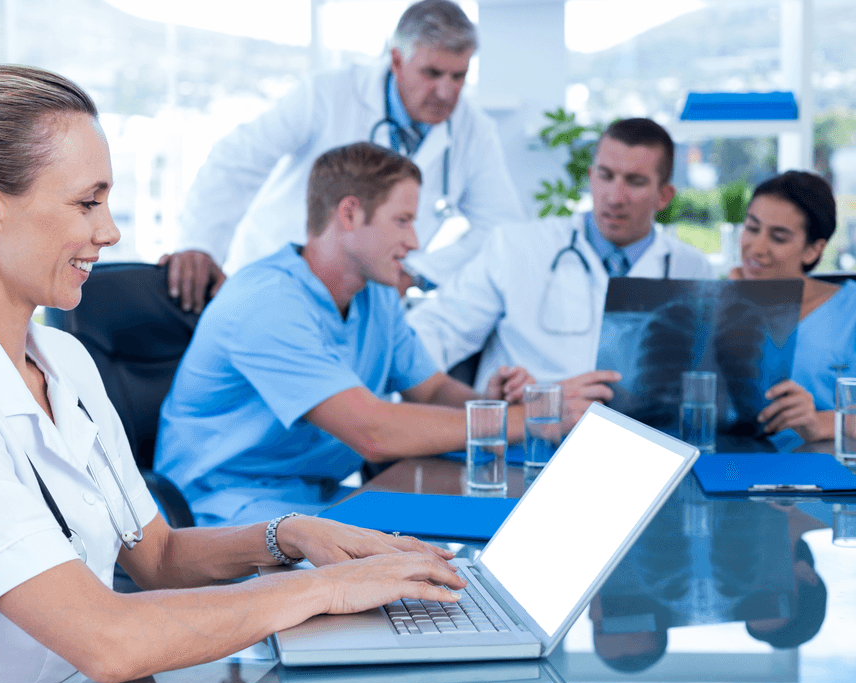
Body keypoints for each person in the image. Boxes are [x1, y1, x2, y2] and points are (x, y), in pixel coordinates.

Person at [0, 66, 469, 683]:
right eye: (87, 203)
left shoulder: (64, 362)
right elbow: (105, 640)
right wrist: (327, 591)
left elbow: (158, 556)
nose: (109, 232)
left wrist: (292, 536)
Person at [155, 142, 613, 527]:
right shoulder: (266, 303)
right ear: (350, 214)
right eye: (403, 220)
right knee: (407, 581)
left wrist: (492, 404)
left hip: (318, 499)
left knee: (486, 541)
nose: (415, 241)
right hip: (222, 510)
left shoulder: (376, 296)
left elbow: (430, 388)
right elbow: (372, 431)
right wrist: (526, 420)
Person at [160, 0, 524, 312]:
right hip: (277, 280)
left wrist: (417, 272)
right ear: (396, 60)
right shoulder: (327, 95)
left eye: (458, 76)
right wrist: (200, 244)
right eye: (432, 73)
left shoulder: (473, 130)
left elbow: (501, 226)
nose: (446, 92)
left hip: (369, 298)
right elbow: (238, 161)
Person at [406, 117, 715, 392]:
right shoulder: (517, 246)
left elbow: (713, 372)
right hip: (528, 438)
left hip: (645, 438)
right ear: (591, 177)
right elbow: (435, 331)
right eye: (606, 176)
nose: (615, 197)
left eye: (635, 182)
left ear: (664, 196)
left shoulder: (692, 269)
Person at [729, 170, 856, 442]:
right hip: (723, 467)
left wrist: (823, 421)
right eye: (752, 228)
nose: (757, 248)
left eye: (778, 237)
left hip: (821, 471)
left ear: (813, 249)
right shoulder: (714, 303)